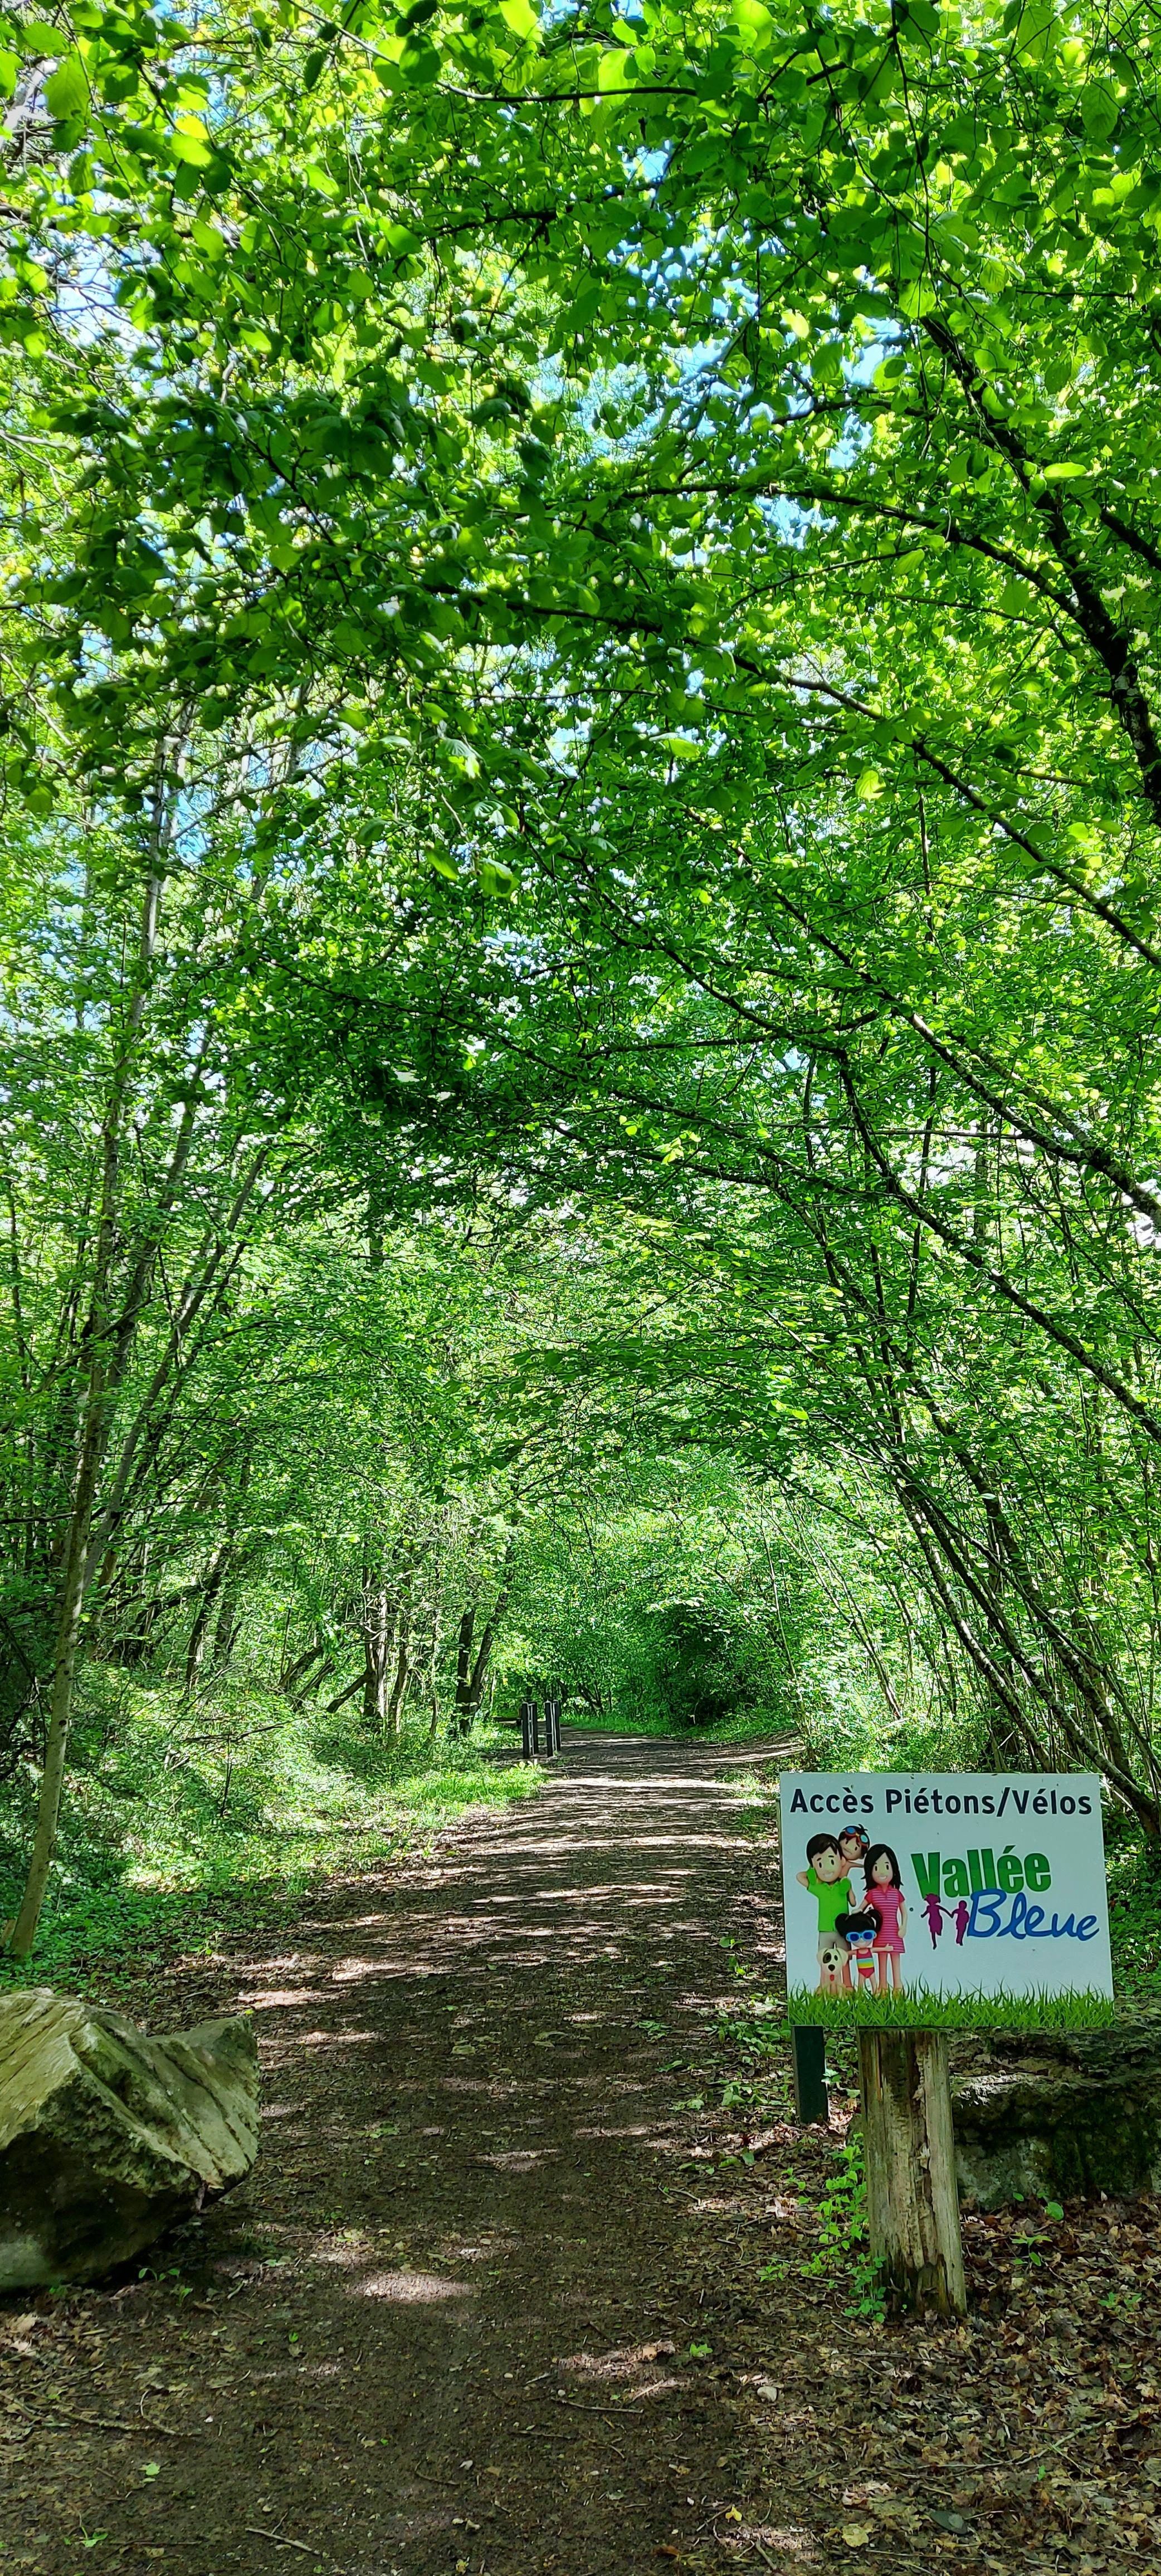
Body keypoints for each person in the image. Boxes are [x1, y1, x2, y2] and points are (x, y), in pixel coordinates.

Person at [796, 1832, 855, 1992]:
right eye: (820, 1863)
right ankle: (825, 1985)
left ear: (841, 1861)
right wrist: (813, 1872)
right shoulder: (820, 1888)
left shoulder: (843, 1886)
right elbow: (800, 1877)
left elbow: (853, 1902)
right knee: (824, 1958)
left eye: (831, 1860)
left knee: (845, 1957)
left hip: (843, 1928)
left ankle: (848, 1984)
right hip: (825, 1929)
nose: (828, 1868)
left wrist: (847, 1885)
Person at [862, 1842, 907, 1993]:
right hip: (880, 1932)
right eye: (876, 1868)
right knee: (882, 1958)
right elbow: (861, 1909)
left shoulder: (896, 1893)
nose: (882, 1872)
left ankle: (898, 1986)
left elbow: (904, 1912)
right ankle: (883, 1986)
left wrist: (904, 1926)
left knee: (895, 1958)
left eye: (887, 1866)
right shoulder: (872, 1894)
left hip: (895, 1932)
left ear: (894, 1869)